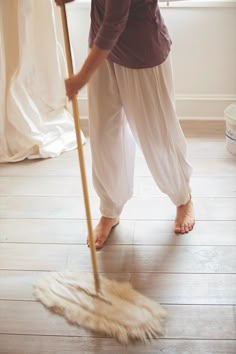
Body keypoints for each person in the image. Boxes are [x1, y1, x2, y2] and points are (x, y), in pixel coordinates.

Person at [55, 0, 195, 249]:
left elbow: (114, 22)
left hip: (141, 51)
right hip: (103, 49)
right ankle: (110, 208)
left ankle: (183, 198)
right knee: (105, 134)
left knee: (158, 135)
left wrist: (81, 77)